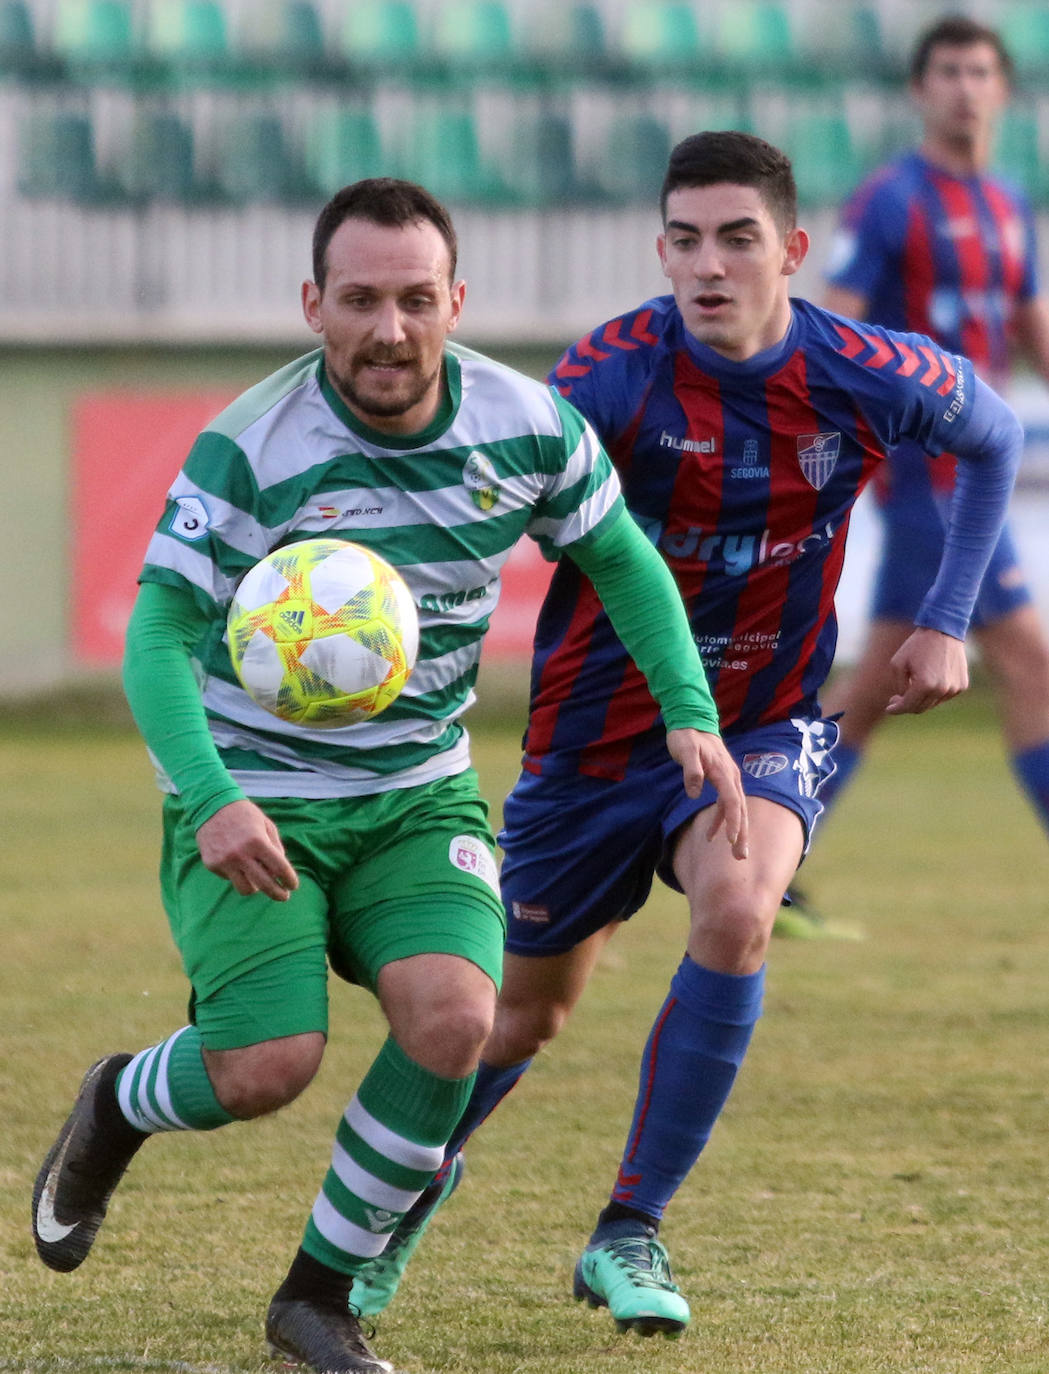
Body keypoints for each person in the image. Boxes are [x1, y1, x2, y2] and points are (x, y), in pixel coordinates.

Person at [30, 178, 749, 1374]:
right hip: (255, 800)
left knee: (459, 1020)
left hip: (416, 795)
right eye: (360, 300)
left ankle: (319, 1298)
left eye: (416, 300)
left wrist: (689, 712)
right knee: (265, 1067)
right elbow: (157, 634)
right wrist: (211, 799)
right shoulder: (250, 450)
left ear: (455, 300)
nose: (390, 329)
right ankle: (117, 1101)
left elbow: (620, 557)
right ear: (313, 304)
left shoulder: (524, 426)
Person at [345, 131, 1024, 1340]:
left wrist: (944, 619)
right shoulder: (610, 378)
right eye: (683, 240)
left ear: (792, 250)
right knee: (515, 1020)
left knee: (737, 905)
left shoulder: (862, 370)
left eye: (736, 237)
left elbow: (989, 437)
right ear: (659, 248)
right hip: (597, 738)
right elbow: (496, 498)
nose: (706, 264)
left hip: (763, 720)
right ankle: (386, 1214)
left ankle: (628, 1227)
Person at [813, 14, 1049, 879]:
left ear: (1002, 90)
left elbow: (1026, 322)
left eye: (978, 71)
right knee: (1028, 663)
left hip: (970, 475)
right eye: (946, 71)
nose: (963, 87)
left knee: (875, 685)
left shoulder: (1005, 202)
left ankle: (764, 844)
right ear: (919, 90)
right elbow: (834, 322)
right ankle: (764, 849)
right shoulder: (891, 199)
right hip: (922, 473)